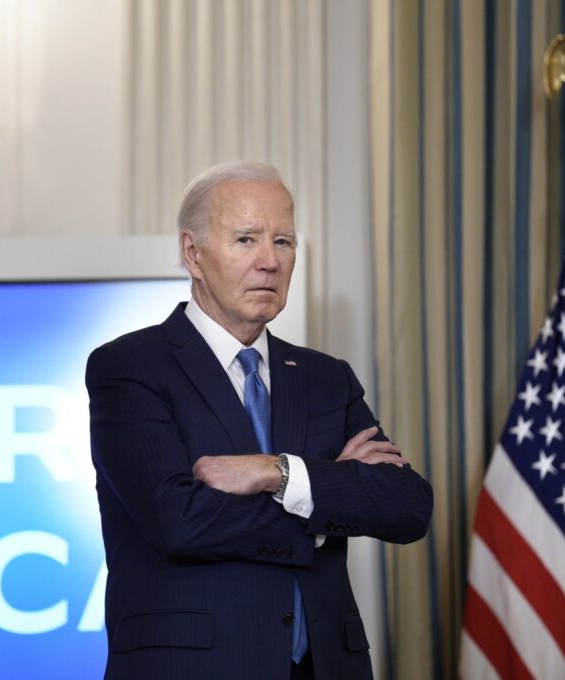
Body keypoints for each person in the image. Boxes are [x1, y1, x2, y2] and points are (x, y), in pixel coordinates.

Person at [86, 161, 432, 679]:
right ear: (193, 253)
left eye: (284, 242)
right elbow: (177, 520)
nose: (269, 261)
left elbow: (407, 506)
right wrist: (324, 498)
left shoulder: (325, 378)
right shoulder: (131, 367)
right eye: (246, 240)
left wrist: (280, 472)